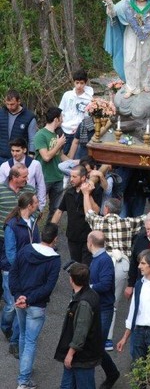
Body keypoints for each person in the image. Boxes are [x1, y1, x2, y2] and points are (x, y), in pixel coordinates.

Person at [82, 188, 145, 351]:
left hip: (103, 262)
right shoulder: (128, 223)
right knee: (112, 303)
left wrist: (85, 194)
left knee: (94, 296)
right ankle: (107, 340)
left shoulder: (99, 222)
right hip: (122, 264)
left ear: (106, 209)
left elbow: (88, 212)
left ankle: (92, 334)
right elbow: (147, 217)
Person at [9, 223, 60, 389]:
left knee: (23, 336)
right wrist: (28, 299)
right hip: (36, 305)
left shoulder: (25, 250)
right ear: (55, 239)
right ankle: (23, 380)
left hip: (19, 302)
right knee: (30, 341)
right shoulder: (54, 260)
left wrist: (18, 296)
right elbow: (48, 287)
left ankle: (24, 372)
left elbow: (14, 273)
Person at [0, 165, 36, 356]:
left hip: (24, 267)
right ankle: (5, 325)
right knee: (10, 304)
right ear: (14, 176)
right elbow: (11, 253)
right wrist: (20, 268)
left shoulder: (32, 220)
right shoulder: (11, 226)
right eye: (24, 176)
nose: (27, 179)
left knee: (19, 304)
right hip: (12, 266)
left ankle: (14, 339)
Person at [54, 263, 103, 389]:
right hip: (81, 356)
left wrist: (70, 354)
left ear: (72, 279)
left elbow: (81, 331)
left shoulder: (83, 302)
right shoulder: (90, 294)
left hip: (82, 358)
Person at [87, 231, 120, 389]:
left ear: (90, 242)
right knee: (95, 345)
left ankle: (111, 374)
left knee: (97, 346)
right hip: (95, 307)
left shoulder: (104, 260)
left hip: (104, 309)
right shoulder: (97, 258)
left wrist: (87, 288)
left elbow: (105, 284)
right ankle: (111, 373)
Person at [52, 165, 102, 265]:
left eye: (74, 177)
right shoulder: (69, 193)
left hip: (88, 238)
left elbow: (96, 211)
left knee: (86, 267)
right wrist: (51, 230)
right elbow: (59, 211)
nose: (71, 179)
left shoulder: (94, 190)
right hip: (72, 237)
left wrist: (87, 194)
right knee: (75, 265)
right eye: (71, 176)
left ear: (83, 178)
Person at [34, 107, 67, 222]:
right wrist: (58, 144)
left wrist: (75, 163)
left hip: (58, 177)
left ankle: (49, 236)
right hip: (44, 178)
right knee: (37, 208)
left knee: (55, 210)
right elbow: (46, 157)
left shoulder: (58, 134)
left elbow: (61, 155)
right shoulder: (40, 135)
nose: (62, 120)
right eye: (61, 117)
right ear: (56, 119)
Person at [0, 138, 46, 211]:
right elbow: (1, 188)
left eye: (17, 151)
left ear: (24, 150)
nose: (14, 154)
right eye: (12, 151)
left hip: (29, 205)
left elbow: (41, 185)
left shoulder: (35, 164)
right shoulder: (4, 166)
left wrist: (41, 207)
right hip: (10, 205)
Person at [59, 69, 94, 154]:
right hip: (64, 129)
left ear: (85, 83)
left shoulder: (89, 98)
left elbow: (87, 117)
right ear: (74, 82)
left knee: (75, 154)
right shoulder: (67, 95)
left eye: (81, 83)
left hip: (78, 131)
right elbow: (61, 111)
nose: (79, 86)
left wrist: (79, 128)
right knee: (62, 153)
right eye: (77, 83)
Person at [0, 89, 37, 165]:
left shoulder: (29, 117)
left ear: (19, 101)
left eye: (12, 104)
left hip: (19, 159)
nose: (9, 106)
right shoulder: (1, 114)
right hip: (1, 157)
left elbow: (32, 139)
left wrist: (31, 156)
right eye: (7, 104)